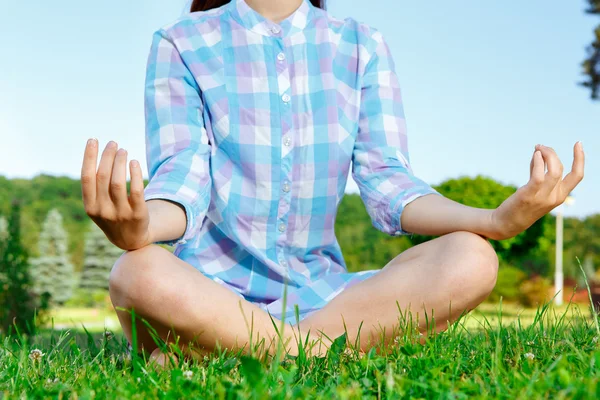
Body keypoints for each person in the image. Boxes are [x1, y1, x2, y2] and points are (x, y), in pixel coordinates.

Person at [80, 0, 585, 367]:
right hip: (208, 293)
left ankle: (231, 351)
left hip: (327, 297)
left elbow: (388, 180)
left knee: (472, 258)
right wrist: (140, 227)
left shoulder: (361, 44)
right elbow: (183, 179)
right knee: (136, 272)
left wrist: (495, 221)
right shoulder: (180, 42)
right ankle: (318, 352)